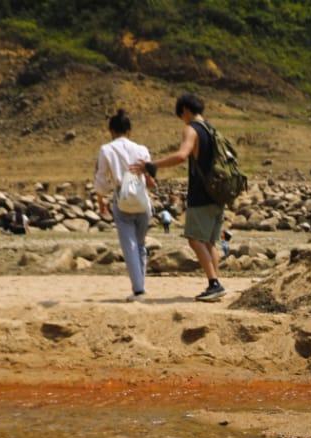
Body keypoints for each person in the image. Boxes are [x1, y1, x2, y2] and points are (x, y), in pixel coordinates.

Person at [131, 92, 226, 302]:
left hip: (201, 193)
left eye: (181, 115)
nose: (182, 119)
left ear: (185, 110)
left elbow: (182, 155)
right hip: (218, 192)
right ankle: (216, 283)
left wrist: (152, 165)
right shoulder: (212, 129)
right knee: (210, 242)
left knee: (194, 239)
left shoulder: (192, 129)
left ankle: (214, 284)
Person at [93, 108, 155, 302]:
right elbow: (149, 175)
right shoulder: (142, 149)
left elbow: (101, 179)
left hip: (123, 198)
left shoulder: (106, 149)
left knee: (129, 245)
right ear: (129, 130)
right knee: (141, 245)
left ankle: (138, 290)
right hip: (142, 199)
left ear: (111, 130)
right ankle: (140, 286)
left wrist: (101, 200)